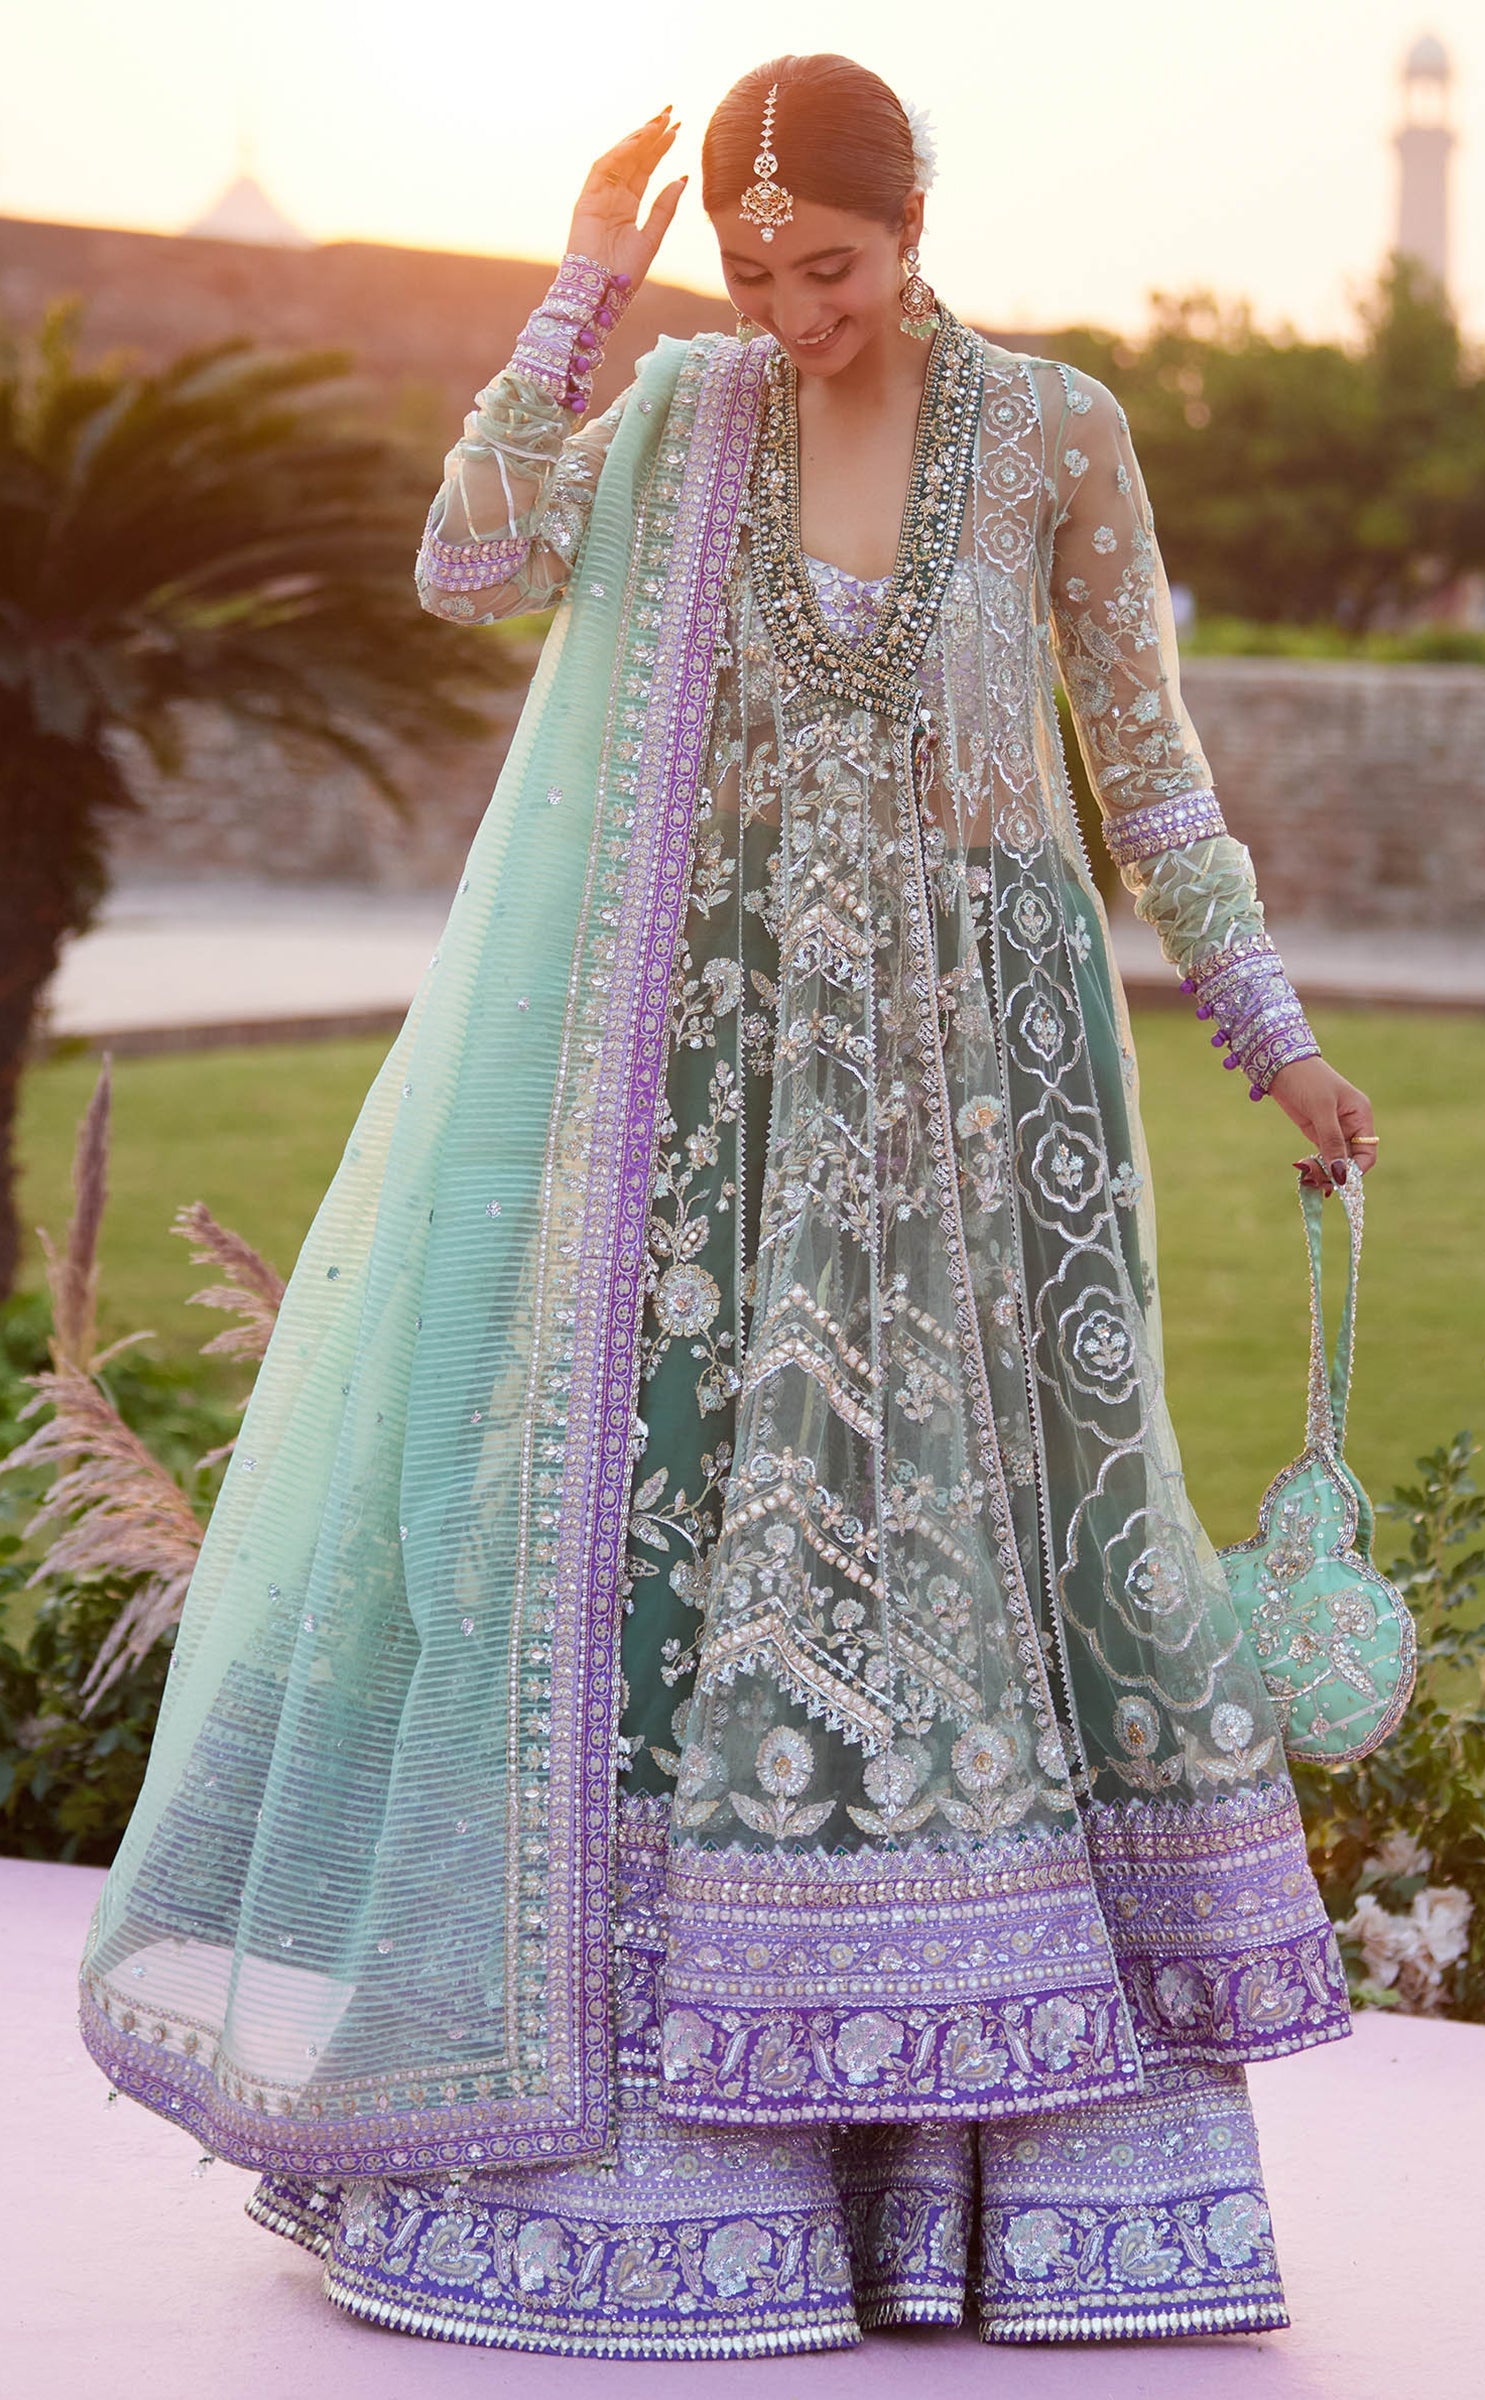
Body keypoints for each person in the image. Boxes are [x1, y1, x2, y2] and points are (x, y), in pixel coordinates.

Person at [80, 53, 1379, 2359]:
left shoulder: (1056, 432)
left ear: (912, 222)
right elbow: (472, 565)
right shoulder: (685, 417)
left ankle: (1013, 2169)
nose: (791, 314)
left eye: (829, 269)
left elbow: (1146, 766)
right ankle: (660, 2166)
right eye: (752, 272)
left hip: (985, 1100)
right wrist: (582, 287)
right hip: (714, 1100)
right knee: (680, 1540)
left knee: (999, 1548)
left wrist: (1268, 1033)